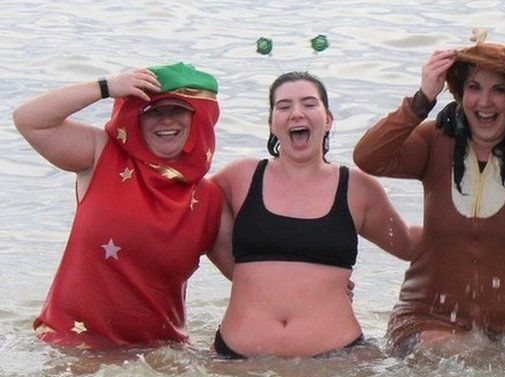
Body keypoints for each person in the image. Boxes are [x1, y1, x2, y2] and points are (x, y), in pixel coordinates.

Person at [353, 33, 505, 351]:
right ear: (460, 94)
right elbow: (368, 157)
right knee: (453, 350)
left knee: (503, 362)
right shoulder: (433, 140)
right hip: (428, 318)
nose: (485, 102)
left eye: (499, 90)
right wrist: (421, 100)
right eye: (474, 88)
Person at [13, 63, 225, 349]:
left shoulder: (209, 198)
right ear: (135, 118)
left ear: (197, 118)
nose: (166, 120)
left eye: (176, 110)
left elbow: (248, 277)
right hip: (71, 343)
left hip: (158, 353)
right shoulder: (102, 155)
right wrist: (105, 87)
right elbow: (28, 119)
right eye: (153, 111)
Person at [210, 71, 419, 358]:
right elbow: (189, 218)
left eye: (309, 104)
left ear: (329, 120)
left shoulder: (358, 188)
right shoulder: (238, 178)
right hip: (235, 361)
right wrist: (251, 281)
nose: (296, 113)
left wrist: (477, 227)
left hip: (336, 363)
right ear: (272, 123)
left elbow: (407, 243)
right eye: (283, 107)